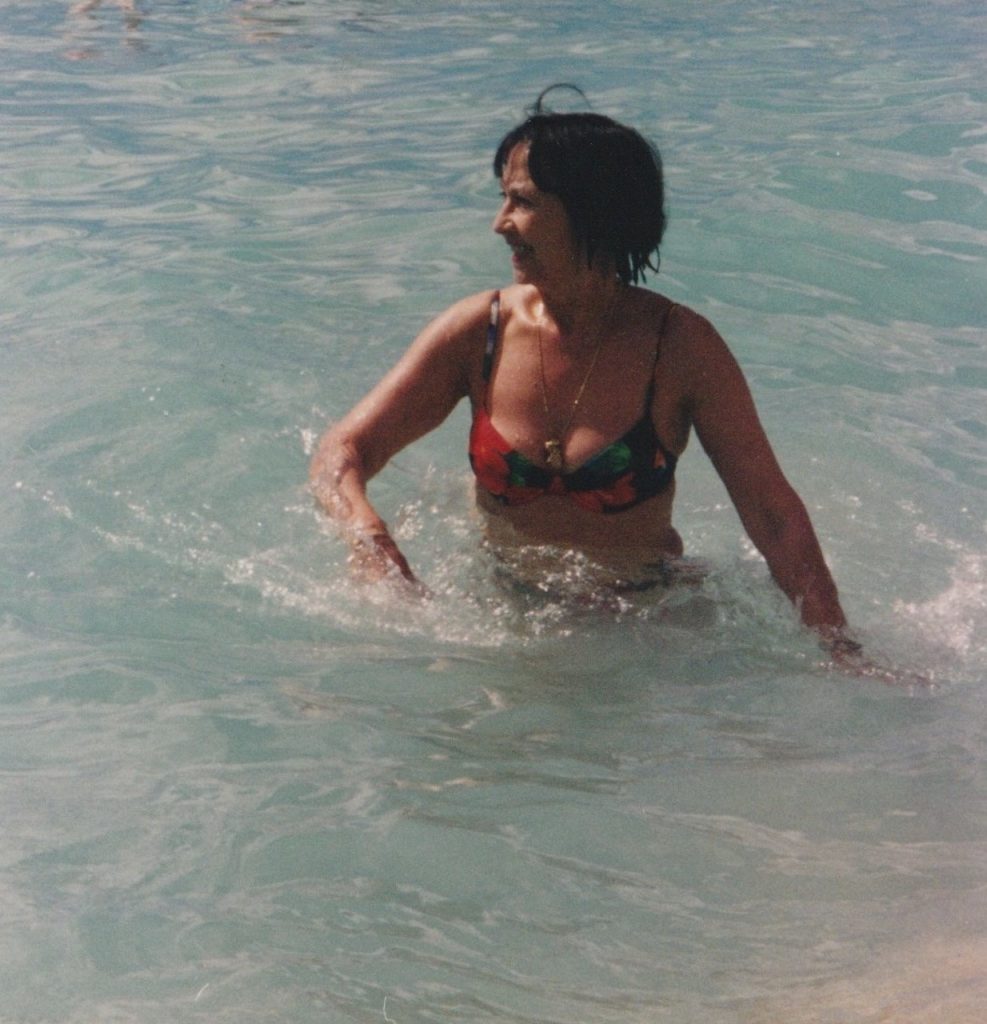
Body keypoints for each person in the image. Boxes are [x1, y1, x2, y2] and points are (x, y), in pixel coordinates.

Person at [309, 87, 860, 660]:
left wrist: (841, 650)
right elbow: (341, 452)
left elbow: (772, 516)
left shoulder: (679, 348)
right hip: (503, 615)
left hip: (647, 623)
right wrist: (370, 540)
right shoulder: (478, 332)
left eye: (522, 202)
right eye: (503, 200)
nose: (501, 224)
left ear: (592, 211)